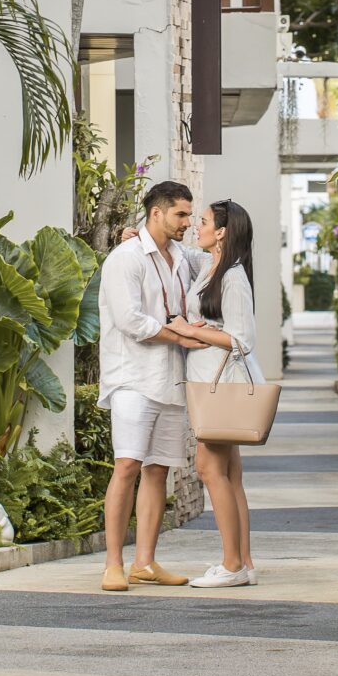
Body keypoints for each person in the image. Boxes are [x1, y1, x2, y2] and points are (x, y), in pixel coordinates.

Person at [95, 179, 210, 592]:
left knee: (158, 470)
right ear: (156, 213)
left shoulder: (182, 256)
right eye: (180, 215)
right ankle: (113, 563)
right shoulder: (125, 258)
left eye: (190, 215)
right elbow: (130, 320)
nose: (187, 223)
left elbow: (217, 260)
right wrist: (178, 335)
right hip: (132, 379)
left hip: (170, 380)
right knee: (126, 466)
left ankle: (144, 562)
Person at [167, 199, 263, 588]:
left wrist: (190, 330)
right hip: (211, 382)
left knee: (208, 469)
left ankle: (231, 565)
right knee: (230, 475)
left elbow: (242, 340)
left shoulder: (233, 276)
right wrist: (137, 234)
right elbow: (181, 250)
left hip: (222, 387)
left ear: (221, 232)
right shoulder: (212, 265)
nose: (195, 226)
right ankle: (245, 562)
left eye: (203, 221)